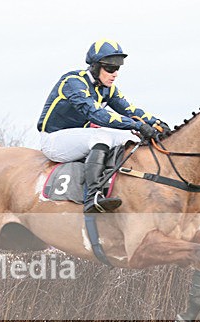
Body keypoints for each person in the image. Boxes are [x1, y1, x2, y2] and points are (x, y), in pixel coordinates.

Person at [37, 39, 170, 213]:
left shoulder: (108, 89)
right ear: (94, 66)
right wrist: (137, 125)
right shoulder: (73, 82)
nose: (115, 73)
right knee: (101, 136)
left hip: (78, 138)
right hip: (54, 140)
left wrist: (156, 123)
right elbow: (96, 115)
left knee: (130, 137)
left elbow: (130, 110)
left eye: (118, 68)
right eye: (110, 68)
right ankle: (92, 196)